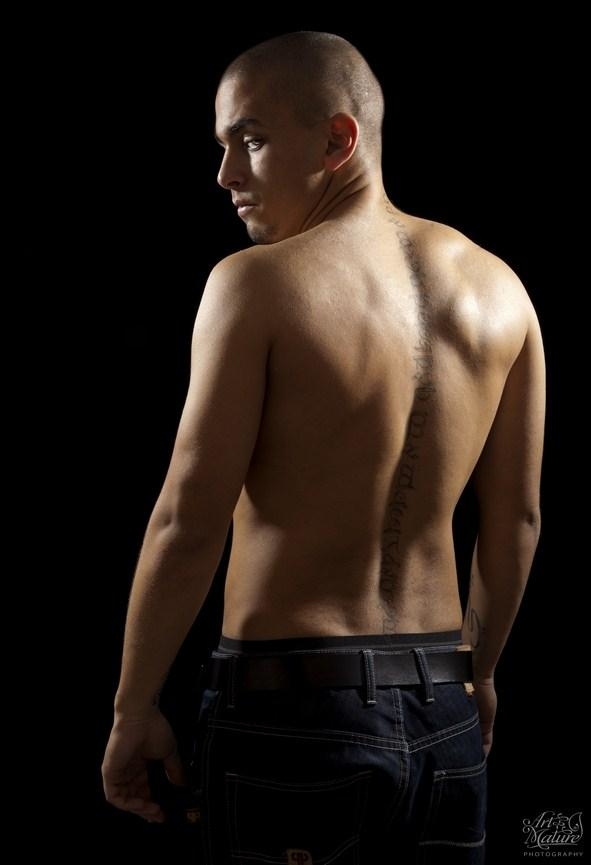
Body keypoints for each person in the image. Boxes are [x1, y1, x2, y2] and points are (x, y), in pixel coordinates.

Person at [102, 31, 544, 864]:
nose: (225, 174)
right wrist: (480, 674)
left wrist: (132, 707)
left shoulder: (256, 284)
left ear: (338, 139)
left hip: (291, 719)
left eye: (250, 140)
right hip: (446, 717)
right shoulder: (502, 290)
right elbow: (516, 521)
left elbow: (187, 522)